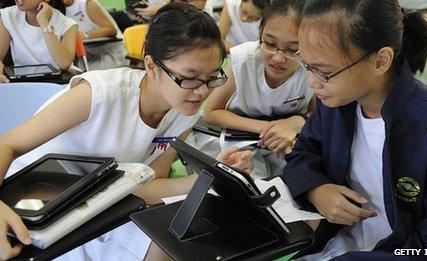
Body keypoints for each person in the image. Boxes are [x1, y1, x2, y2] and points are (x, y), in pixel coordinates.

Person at [0, 3, 252, 260]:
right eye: (189, 77)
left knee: (171, 245)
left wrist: (211, 175)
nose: (202, 91)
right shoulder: (99, 94)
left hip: (96, 205)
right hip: (33, 203)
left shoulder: (183, 111)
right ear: (151, 66)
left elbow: (148, 184)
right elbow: (7, 144)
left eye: (212, 77)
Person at [282, 0, 427, 259]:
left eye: (324, 72)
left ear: (381, 61)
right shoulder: (336, 104)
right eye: (306, 64)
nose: (312, 83)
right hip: (332, 244)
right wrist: (317, 190)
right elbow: (303, 154)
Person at [201, 0, 313, 179]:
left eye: (293, 50)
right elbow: (211, 113)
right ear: (259, 34)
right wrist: (268, 128)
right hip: (237, 140)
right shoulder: (244, 60)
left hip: (285, 145)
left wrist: (295, 122)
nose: (278, 58)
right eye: (269, 43)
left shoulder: (311, 69)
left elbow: (318, 115)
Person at [0, 0, 78, 83]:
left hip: (59, 81)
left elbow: (64, 64)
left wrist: (44, 22)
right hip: (23, 80)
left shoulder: (68, 24)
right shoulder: (8, 16)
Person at [63, 0, 128, 70]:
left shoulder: (88, 3)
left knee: (82, 75)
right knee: (68, 70)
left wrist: (84, 35)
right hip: (87, 54)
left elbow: (111, 30)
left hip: (110, 53)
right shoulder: (58, 9)